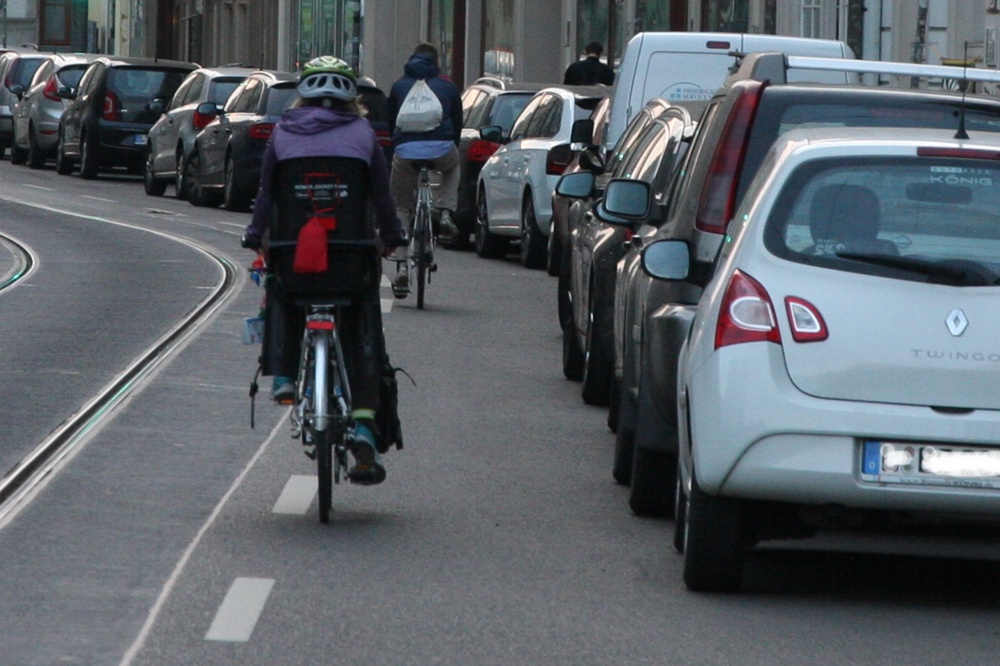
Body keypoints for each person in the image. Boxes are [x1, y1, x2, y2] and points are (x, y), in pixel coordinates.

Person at [241, 56, 404, 485]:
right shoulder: (363, 133)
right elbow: (382, 197)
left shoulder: (282, 132)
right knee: (361, 322)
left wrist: (255, 234)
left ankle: (282, 377)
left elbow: (266, 195)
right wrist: (392, 235)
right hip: (351, 257)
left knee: (283, 291)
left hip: (295, 255)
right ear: (353, 101)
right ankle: (365, 424)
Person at [387, 42, 463, 297]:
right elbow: (457, 125)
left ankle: (401, 267)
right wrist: (450, 146)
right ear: (436, 63)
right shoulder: (448, 86)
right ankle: (445, 211)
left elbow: (391, 124)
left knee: (400, 203)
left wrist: (397, 147)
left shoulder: (399, 86)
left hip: (406, 151)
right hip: (442, 150)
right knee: (453, 166)